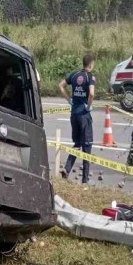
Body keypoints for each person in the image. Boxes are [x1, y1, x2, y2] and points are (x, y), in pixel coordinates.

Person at [58, 54, 96, 183]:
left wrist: (69, 100)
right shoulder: (89, 76)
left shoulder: (74, 75)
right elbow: (92, 93)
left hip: (74, 115)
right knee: (87, 146)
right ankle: (85, 180)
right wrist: (88, 106)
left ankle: (67, 169)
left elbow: (61, 85)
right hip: (84, 116)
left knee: (77, 143)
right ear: (91, 64)